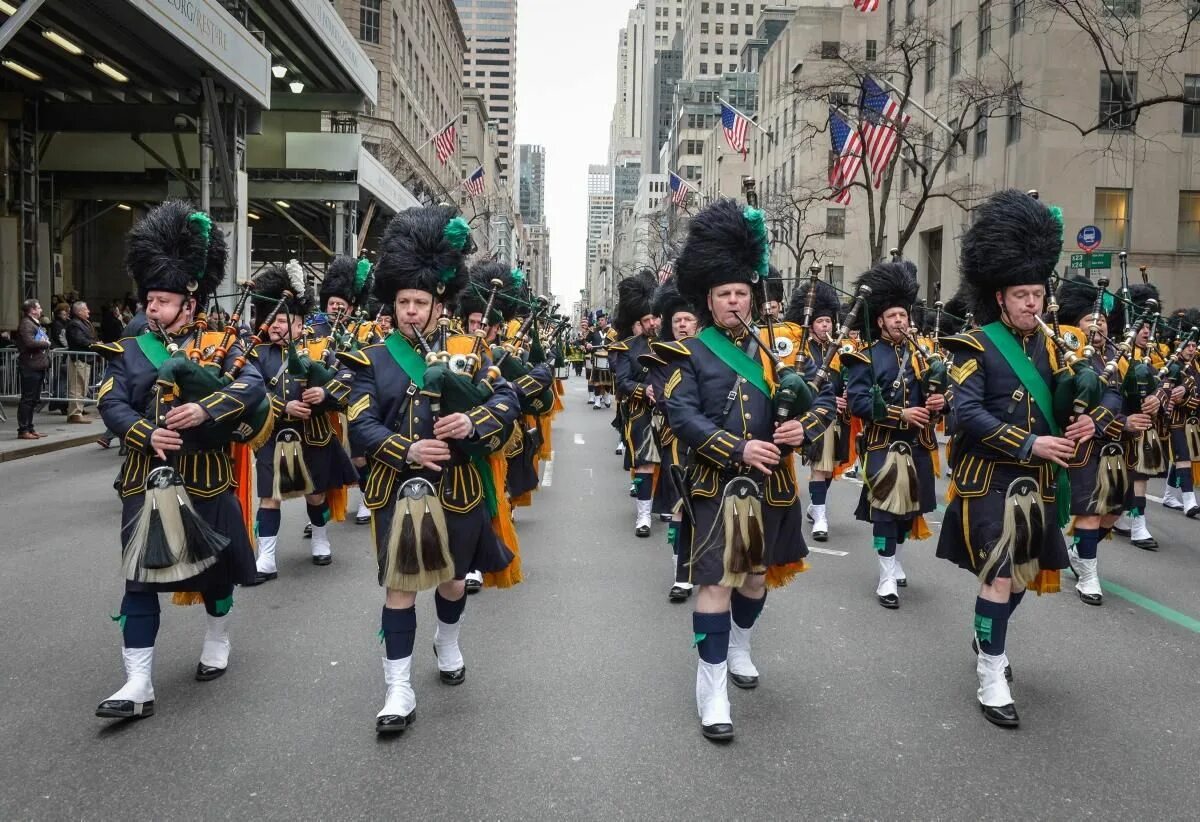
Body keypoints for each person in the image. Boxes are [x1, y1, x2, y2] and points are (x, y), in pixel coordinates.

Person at [344, 205, 521, 735]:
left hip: (461, 490)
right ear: (393, 304)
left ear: (439, 305)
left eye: (421, 302)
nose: (412, 312)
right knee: (399, 588)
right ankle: (397, 687)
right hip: (398, 489)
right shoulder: (369, 358)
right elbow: (359, 423)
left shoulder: (469, 352)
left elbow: (509, 399)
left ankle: (447, 639)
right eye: (404, 302)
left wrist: (471, 421)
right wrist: (408, 450)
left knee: (448, 582)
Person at [662, 199, 834, 741]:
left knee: (756, 581)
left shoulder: (778, 352)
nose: (734, 302)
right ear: (708, 301)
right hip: (717, 483)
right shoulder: (686, 352)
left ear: (751, 296)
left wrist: (802, 429)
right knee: (714, 581)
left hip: (773, 487)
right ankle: (710, 684)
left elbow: (826, 397)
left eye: (741, 293)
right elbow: (680, 414)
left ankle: (739, 644)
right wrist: (736, 449)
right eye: (723, 295)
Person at [94, 200, 267, 720]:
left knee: (215, 576)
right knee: (138, 579)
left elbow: (253, 386)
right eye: (150, 298)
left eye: (164, 300)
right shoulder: (128, 348)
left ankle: (217, 638)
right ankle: (137, 681)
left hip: (208, 481)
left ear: (190, 303)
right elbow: (110, 401)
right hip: (146, 478)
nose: (153, 308)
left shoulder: (224, 340)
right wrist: (145, 433)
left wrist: (203, 408)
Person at [937, 190, 1088, 728]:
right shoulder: (974, 345)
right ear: (999, 298)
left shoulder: (1055, 348)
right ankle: (992, 672)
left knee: (1022, 579)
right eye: (1021, 295)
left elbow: (1083, 403)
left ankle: (986, 637)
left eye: (1038, 294)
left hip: (1040, 485)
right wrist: (1028, 444)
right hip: (990, 482)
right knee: (998, 576)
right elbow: (966, 415)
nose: (1032, 303)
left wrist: (1087, 420)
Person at [244, 261, 358, 583]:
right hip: (272, 435)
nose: (278, 327)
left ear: (299, 323)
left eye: (285, 321)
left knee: (315, 495)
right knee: (270, 496)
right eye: (273, 321)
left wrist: (323, 394)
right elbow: (250, 393)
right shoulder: (255, 353)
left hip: (314, 435)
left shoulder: (321, 348)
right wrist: (283, 406)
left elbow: (347, 380)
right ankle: (266, 555)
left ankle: (320, 538)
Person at [842, 261, 940, 609]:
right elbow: (856, 402)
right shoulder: (864, 357)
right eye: (893, 315)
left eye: (903, 314)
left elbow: (935, 398)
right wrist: (901, 414)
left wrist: (939, 402)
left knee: (907, 513)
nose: (900, 320)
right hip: (883, 445)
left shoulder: (923, 354)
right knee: (885, 512)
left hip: (917, 445)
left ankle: (894, 556)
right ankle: (886, 574)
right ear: (880, 320)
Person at [1054, 276, 1139, 606]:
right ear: (1076, 324)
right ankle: (1088, 574)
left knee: (1114, 511)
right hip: (1080, 444)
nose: (1098, 325)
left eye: (1102, 320)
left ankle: (1080, 550)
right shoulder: (1068, 353)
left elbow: (1116, 395)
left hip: (1112, 444)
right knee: (1090, 511)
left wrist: (1109, 420)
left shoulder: (1115, 357)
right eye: (1091, 319)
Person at [643, 276, 699, 600]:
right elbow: (665, 397)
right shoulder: (661, 355)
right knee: (680, 505)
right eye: (677, 320)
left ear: (697, 322)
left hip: (712, 443)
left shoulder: (710, 353)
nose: (681, 324)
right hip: (677, 439)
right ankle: (681, 573)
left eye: (687, 319)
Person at [786, 278, 847, 542]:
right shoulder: (804, 350)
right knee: (820, 467)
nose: (826, 325)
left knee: (831, 467)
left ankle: (814, 506)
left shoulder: (841, 350)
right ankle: (820, 517)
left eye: (829, 321)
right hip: (814, 415)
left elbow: (848, 383)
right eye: (821, 321)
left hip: (838, 417)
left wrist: (846, 398)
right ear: (811, 325)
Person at [1110, 283, 1167, 549]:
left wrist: (1158, 399)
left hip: (1143, 428)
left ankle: (1138, 523)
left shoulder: (1152, 356)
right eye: (1142, 325)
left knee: (1140, 475)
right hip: (1116, 427)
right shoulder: (1112, 354)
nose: (1146, 330)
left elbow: (1162, 387)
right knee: (1115, 488)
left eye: (1149, 326)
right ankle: (1122, 518)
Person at [610, 270, 662, 537]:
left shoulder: (674, 344)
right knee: (644, 462)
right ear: (639, 322)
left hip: (670, 412)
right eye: (647, 319)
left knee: (669, 462)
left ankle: (664, 502)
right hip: (641, 411)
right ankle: (643, 514)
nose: (652, 322)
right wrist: (644, 390)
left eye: (655, 317)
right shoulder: (627, 347)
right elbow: (622, 383)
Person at [15, 299, 50, 439]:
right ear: (32, 310)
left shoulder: (33, 323)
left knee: (34, 399)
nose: (41, 310)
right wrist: (45, 343)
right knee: (28, 399)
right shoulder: (26, 324)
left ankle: (30, 427)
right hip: (30, 365)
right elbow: (29, 343)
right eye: (39, 308)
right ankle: (23, 429)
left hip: (37, 365)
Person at [65, 300, 97, 423]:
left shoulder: (83, 322)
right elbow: (80, 340)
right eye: (86, 309)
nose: (88, 311)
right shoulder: (74, 324)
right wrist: (94, 343)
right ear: (79, 312)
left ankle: (79, 411)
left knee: (82, 387)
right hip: (78, 359)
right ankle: (74, 414)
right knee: (77, 387)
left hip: (84, 359)